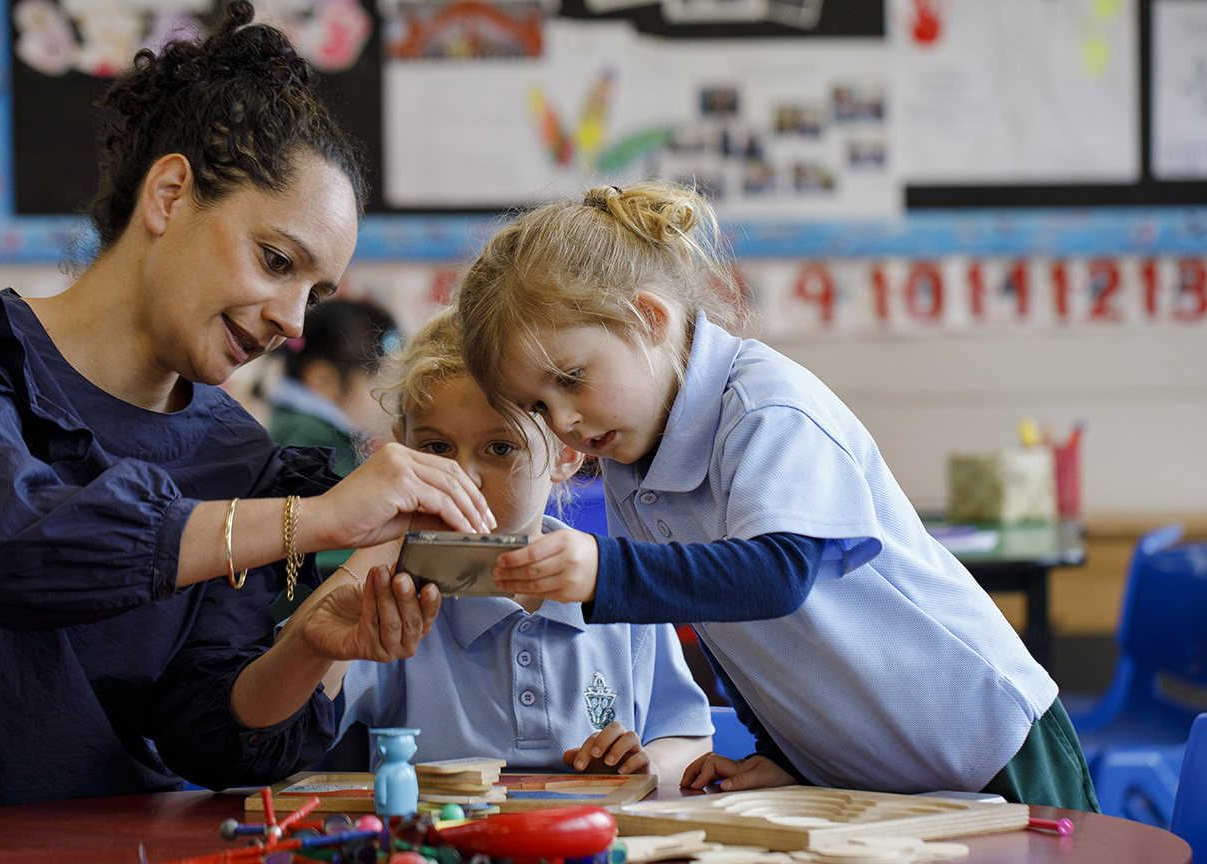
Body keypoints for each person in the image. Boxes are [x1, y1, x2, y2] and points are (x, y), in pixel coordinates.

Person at [0, 4, 496, 858]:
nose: (294, 323)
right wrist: (321, 518)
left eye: (317, 293)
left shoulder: (234, 455)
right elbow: (22, 551)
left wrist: (313, 646)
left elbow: (205, 735)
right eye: (276, 260)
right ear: (170, 193)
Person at [452, 181, 1099, 811]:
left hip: (991, 746)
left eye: (571, 378)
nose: (562, 420)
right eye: (538, 404)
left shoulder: (765, 406)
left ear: (649, 319)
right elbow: (732, 629)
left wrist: (607, 569)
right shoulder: (630, 462)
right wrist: (782, 749)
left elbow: (778, 575)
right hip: (874, 781)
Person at [326, 311, 713, 782]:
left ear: (567, 454)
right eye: (436, 448)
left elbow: (688, 734)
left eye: (500, 448)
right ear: (399, 450)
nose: (460, 477)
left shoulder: (619, 589)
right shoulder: (393, 596)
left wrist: (647, 765)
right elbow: (300, 716)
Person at [269, 298, 401, 572]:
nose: (387, 397)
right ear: (323, 380)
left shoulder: (310, 429)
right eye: (375, 379)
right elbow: (320, 549)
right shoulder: (307, 439)